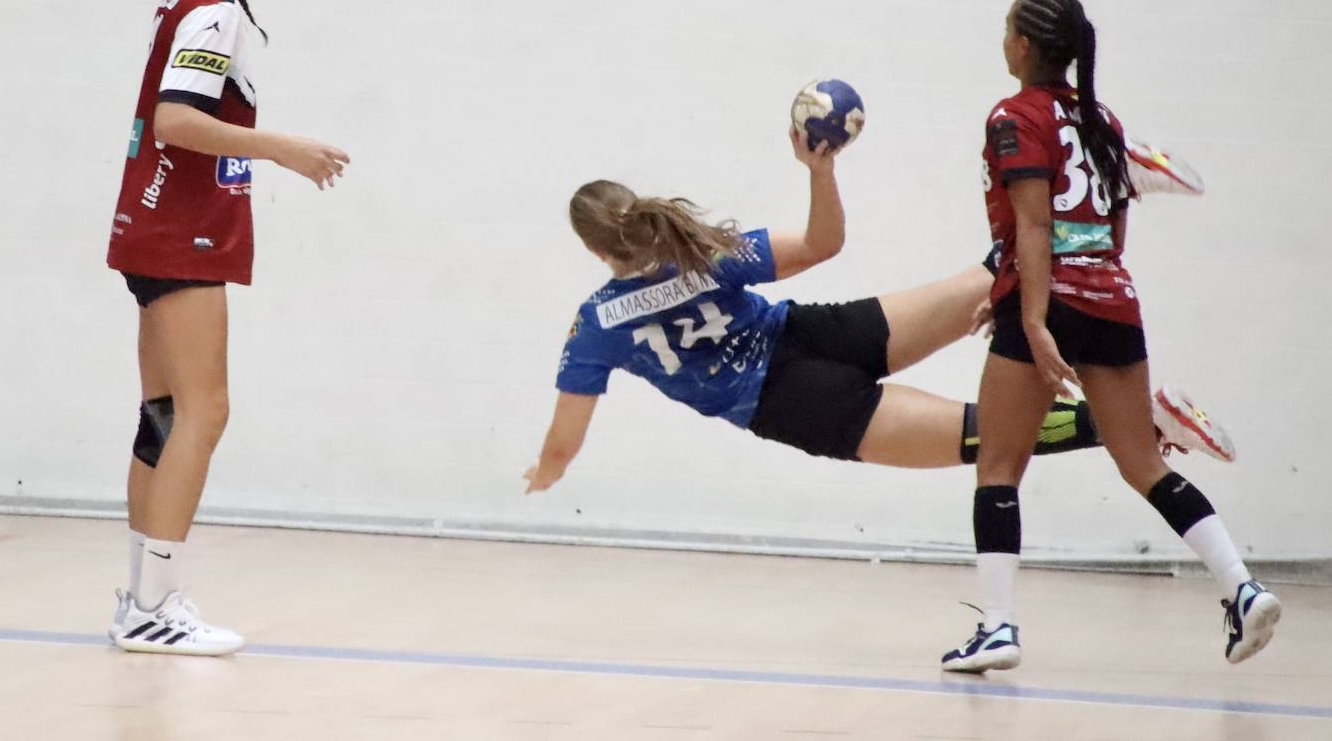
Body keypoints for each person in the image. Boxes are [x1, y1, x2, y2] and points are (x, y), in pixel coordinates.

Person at [524, 125, 1231, 502]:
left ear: (591, 249)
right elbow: (824, 243)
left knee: (988, 439)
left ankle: (1152, 420)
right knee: (995, 276)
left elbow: (564, 441)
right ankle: (1110, 178)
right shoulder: (701, 249)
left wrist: (546, 473)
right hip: (821, 331)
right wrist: (820, 173)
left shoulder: (597, 324)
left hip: (793, 401)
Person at [941, 0, 1279, 674]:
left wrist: (1030, 317)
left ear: (1026, 46)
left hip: (1053, 300)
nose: (1002, 40)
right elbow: (1108, 228)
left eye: (1008, 30)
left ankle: (999, 627)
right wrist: (1011, 290)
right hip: (1113, 298)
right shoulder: (1100, 118)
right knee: (1143, 463)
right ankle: (1241, 588)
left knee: (999, 467)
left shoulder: (1014, 116)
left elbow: (1036, 224)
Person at [105, 0, 350, 655]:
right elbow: (178, 119)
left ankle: (140, 598)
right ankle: (152, 605)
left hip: (154, 224)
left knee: (164, 417)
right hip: (183, 229)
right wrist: (281, 147)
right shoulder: (213, 6)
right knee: (206, 412)